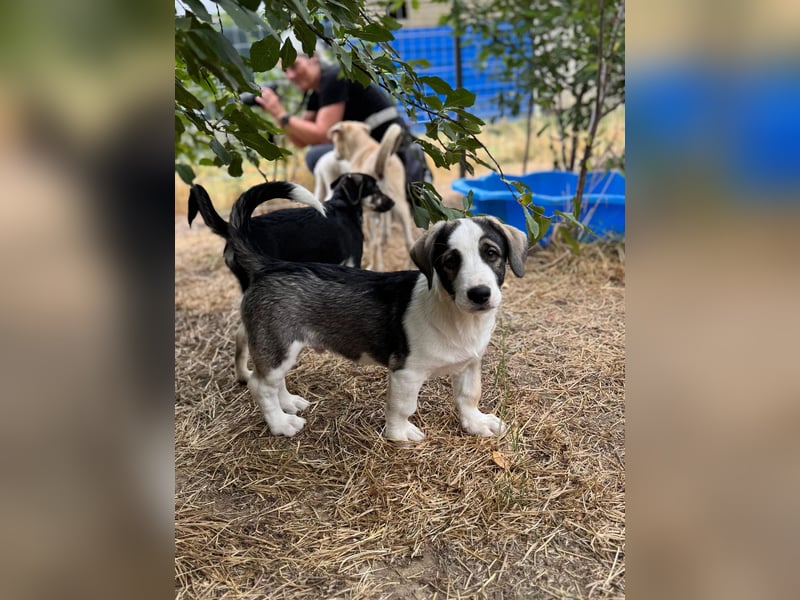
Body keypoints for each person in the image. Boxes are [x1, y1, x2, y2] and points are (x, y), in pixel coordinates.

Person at [254, 50, 431, 185]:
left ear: (313, 56)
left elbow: (322, 135)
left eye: (294, 66)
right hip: (376, 155)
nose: (290, 75)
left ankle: (359, 201)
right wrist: (276, 113)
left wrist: (280, 113)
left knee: (317, 156)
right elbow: (300, 140)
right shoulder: (316, 91)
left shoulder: (333, 77)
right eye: (285, 71)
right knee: (317, 155)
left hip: (396, 158)